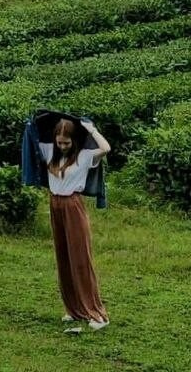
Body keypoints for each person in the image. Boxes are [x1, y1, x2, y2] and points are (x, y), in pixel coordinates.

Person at [38, 115, 111, 331]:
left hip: (73, 205)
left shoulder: (84, 156)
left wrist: (92, 130)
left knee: (80, 257)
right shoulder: (50, 151)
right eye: (59, 142)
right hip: (55, 204)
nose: (62, 146)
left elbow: (106, 148)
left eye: (66, 143)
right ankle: (74, 309)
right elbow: (32, 138)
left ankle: (97, 315)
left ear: (74, 141)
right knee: (64, 257)